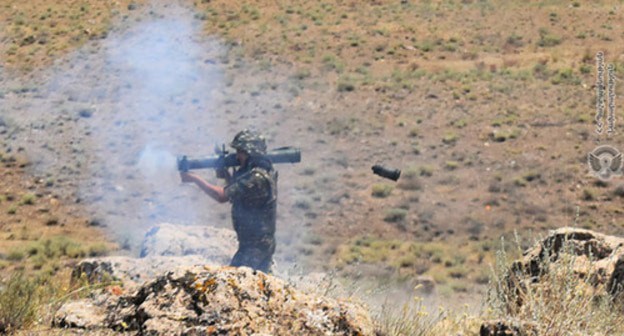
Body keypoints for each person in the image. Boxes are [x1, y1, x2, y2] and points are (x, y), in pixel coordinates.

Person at [180, 129, 277, 273]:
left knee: (235, 281)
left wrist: (194, 179)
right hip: (256, 244)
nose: (237, 156)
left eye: (240, 152)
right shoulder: (259, 172)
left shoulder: (256, 177)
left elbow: (221, 196)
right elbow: (241, 192)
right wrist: (225, 174)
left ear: (249, 152)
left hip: (254, 247)